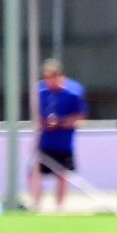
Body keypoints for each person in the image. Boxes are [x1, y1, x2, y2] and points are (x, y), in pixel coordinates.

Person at [31, 58, 85, 212]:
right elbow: (36, 115)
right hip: (44, 142)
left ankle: (59, 207)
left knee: (62, 175)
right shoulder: (40, 92)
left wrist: (60, 123)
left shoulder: (73, 92)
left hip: (63, 143)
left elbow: (80, 117)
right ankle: (37, 205)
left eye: (52, 78)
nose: (49, 82)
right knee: (34, 174)